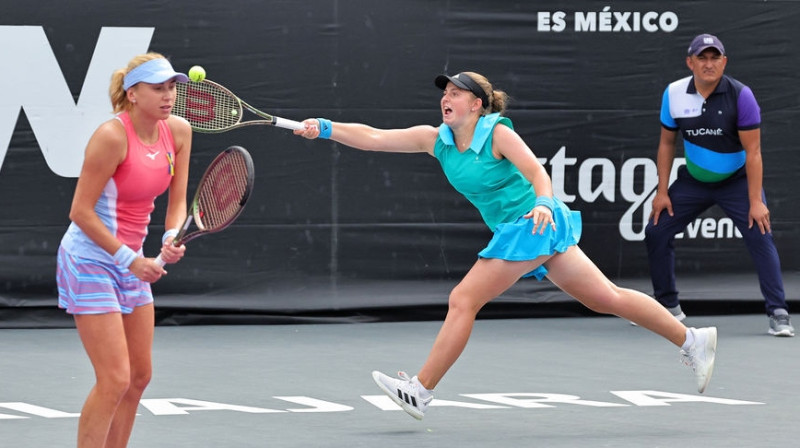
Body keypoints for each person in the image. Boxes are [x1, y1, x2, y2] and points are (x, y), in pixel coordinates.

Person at [295, 71, 718, 420]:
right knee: (606, 297)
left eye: (456, 93)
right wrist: (326, 128)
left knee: (463, 299)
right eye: (445, 93)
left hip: (532, 223)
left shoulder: (497, 133)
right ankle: (691, 340)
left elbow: (537, 171)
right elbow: (373, 136)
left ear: (477, 104)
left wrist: (545, 205)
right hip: (525, 229)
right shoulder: (436, 139)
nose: (447, 98)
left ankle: (420, 390)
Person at [56, 53, 192, 446]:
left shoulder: (179, 131)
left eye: (171, 88)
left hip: (131, 261)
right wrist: (130, 260)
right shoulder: (111, 136)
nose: (168, 96)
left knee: (138, 377)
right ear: (132, 94)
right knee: (114, 378)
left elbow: (177, 203)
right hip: (89, 260)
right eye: (157, 88)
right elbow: (80, 211)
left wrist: (170, 237)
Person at [645, 34, 794, 337]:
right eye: (702, 58)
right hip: (693, 182)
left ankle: (778, 312)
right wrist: (662, 192)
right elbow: (666, 143)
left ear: (724, 62)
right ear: (691, 62)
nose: (709, 64)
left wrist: (755, 200)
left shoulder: (742, 95)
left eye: (715, 58)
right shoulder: (673, 93)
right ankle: (667, 305)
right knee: (656, 230)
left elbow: (753, 152)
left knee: (760, 232)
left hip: (737, 182)